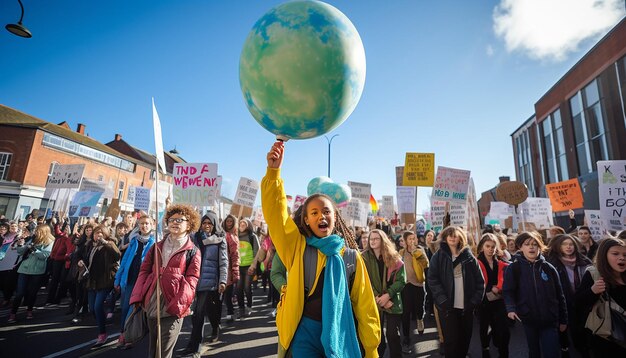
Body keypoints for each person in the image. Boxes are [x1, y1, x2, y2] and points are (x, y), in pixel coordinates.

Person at [262, 141, 380, 357]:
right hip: (303, 334)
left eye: (326, 211)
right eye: (314, 213)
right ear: (306, 220)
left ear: (335, 218)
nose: (321, 216)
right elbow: (276, 215)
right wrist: (273, 172)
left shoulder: (351, 257)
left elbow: (366, 307)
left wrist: (371, 350)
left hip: (340, 333)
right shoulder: (296, 247)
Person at [129, 204, 201, 358]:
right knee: (152, 350)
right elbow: (144, 271)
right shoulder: (157, 246)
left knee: (163, 352)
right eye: (172, 219)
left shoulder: (193, 251)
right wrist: (138, 296)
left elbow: (192, 280)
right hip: (152, 303)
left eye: (180, 220)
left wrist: (178, 304)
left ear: (189, 225)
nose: (175, 222)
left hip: (173, 306)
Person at [503, 231, 567, 358]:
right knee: (534, 352)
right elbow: (508, 291)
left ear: (540, 247)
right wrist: (511, 309)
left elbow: (560, 295)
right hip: (528, 319)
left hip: (550, 320)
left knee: (552, 353)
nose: (531, 247)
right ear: (520, 247)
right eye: (527, 244)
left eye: (534, 244)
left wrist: (563, 320)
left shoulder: (549, 268)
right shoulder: (513, 268)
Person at [427, 226, 485, 358]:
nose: (453, 237)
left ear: (461, 237)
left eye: (455, 235)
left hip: (466, 307)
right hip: (447, 309)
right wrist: (442, 300)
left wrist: (473, 302)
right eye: (449, 235)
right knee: (451, 343)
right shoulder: (438, 256)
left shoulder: (469, 257)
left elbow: (480, 282)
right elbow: (432, 279)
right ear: (445, 238)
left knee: (464, 342)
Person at [184, 211, 228, 354]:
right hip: (194, 280)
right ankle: (194, 344)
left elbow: (223, 262)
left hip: (210, 282)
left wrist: (222, 281)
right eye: (204, 223)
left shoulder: (220, 239)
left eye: (210, 223)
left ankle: (203, 339)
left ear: (214, 225)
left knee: (204, 312)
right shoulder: (195, 238)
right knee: (196, 313)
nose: (207, 225)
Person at [574, 237, 626, 355]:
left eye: (625, 254)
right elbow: (578, 303)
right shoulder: (594, 273)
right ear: (604, 255)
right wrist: (593, 291)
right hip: (605, 339)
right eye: (615, 253)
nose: (622, 257)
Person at [546, 234, 593, 358]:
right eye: (565, 244)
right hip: (564, 303)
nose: (568, 247)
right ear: (559, 247)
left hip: (583, 302)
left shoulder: (585, 262)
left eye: (571, 244)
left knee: (583, 332)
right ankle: (565, 349)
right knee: (564, 331)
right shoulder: (553, 264)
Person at [363, 229, 406, 357]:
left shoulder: (394, 257)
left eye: (376, 238)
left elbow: (401, 280)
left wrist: (388, 295)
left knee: (392, 334)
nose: (373, 241)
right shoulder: (363, 257)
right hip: (374, 301)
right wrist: (378, 298)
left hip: (392, 301)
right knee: (377, 336)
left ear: (383, 240)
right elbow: (364, 280)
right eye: (371, 239)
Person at [114, 214, 155, 348]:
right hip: (129, 280)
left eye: (147, 223)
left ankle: (129, 336)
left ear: (152, 225)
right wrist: (118, 279)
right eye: (142, 223)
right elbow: (125, 261)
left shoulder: (154, 244)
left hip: (142, 282)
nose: (144, 226)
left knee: (134, 309)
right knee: (125, 308)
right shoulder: (134, 241)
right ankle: (122, 332)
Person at [82, 225, 121, 346]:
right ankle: (102, 319)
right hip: (92, 281)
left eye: (100, 233)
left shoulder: (109, 243)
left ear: (105, 234)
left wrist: (104, 242)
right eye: (95, 233)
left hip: (104, 281)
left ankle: (102, 333)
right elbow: (81, 255)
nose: (97, 235)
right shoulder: (90, 246)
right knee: (93, 308)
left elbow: (117, 255)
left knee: (98, 306)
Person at [8, 224, 54, 323]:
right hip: (24, 268)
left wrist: (33, 249)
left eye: (38, 231)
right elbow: (20, 252)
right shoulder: (32, 239)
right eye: (36, 230)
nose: (36, 232)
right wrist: (21, 244)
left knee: (32, 292)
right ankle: (13, 313)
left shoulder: (49, 242)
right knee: (19, 293)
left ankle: (29, 310)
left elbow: (44, 255)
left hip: (37, 270)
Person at [476, 233, 510, 358]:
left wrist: (499, 288)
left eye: (493, 246)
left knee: (504, 331)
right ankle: (485, 349)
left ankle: (503, 353)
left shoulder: (502, 263)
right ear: (482, 247)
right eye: (487, 246)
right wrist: (490, 289)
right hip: (483, 302)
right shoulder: (475, 263)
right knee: (485, 328)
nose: (490, 249)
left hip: (499, 301)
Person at [398, 230, 429, 353]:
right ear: (405, 241)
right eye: (409, 239)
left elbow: (426, 264)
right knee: (405, 313)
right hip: (406, 285)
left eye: (413, 238)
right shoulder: (401, 252)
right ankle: (406, 337)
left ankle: (420, 319)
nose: (412, 241)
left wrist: (416, 254)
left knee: (419, 308)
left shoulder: (419, 250)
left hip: (418, 285)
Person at [236, 218, 261, 319]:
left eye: (244, 223)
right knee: (238, 289)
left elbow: (257, 251)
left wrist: (253, 265)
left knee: (246, 288)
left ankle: (249, 307)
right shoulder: (236, 236)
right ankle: (241, 309)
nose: (242, 225)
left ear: (248, 225)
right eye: (240, 223)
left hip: (249, 267)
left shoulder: (252, 236)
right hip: (238, 266)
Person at [221, 214, 240, 322]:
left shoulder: (233, 236)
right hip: (221, 265)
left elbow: (235, 255)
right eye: (227, 221)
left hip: (229, 267)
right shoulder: (221, 234)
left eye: (231, 222)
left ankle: (230, 312)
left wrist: (235, 270)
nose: (229, 223)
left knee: (228, 291)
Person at [0, 221, 21, 307]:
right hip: (2, 260)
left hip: (12, 262)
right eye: (11, 226)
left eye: (15, 226)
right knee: (1, 281)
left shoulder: (18, 237)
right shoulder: (5, 236)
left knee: (7, 282)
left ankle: (7, 298)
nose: (13, 228)